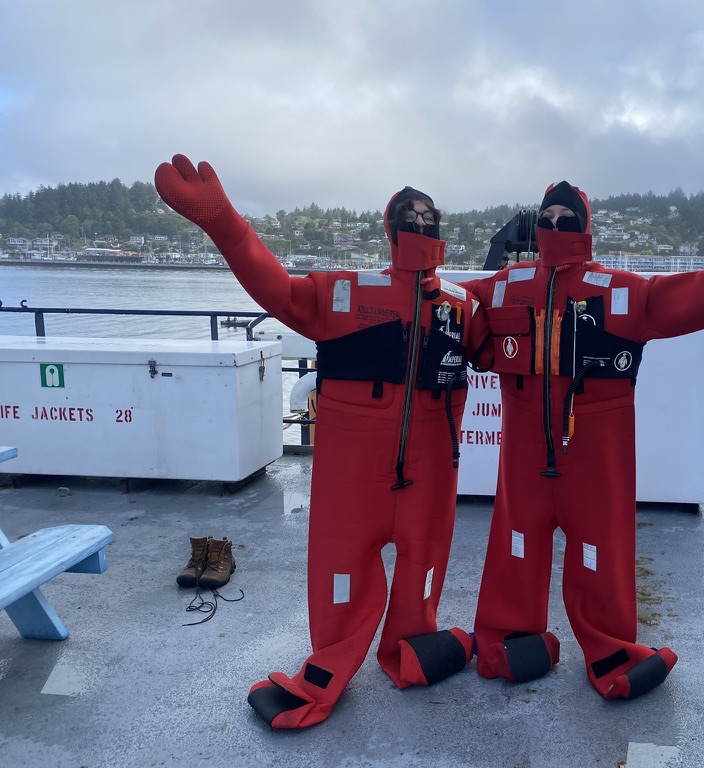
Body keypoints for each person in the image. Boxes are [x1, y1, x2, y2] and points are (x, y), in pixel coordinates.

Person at [465, 181, 704, 700]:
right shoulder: (502, 288)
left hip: (595, 456)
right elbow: (443, 307)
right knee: (515, 544)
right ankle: (508, 637)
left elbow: (695, 296)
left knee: (599, 552)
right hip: (523, 458)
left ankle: (609, 648)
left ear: (586, 226)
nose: (555, 225)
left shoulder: (624, 291)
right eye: (547, 217)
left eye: (567, 217)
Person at [155, 155, 482, 729]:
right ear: (390, 229)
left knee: (424, 570)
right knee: (341, 575)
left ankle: (415, 645)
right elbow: (279, 291)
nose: (419, 222)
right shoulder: (344, 293)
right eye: (409, 215)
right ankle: (331, 663)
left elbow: (524, 341)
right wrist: (223, 222)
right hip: (353, 473)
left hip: (433, 470)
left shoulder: (461, 304)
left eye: (428, 215)